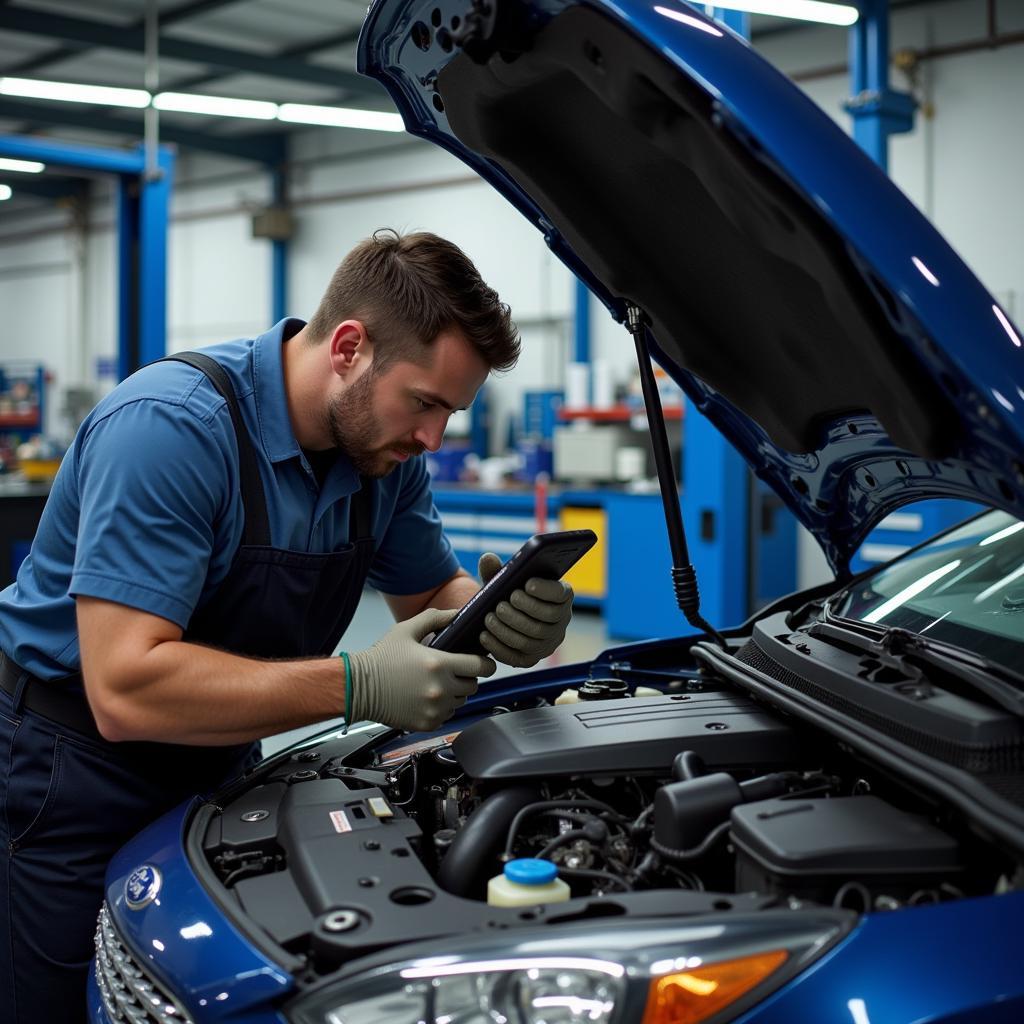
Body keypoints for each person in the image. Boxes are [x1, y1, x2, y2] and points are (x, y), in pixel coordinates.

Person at [0, 228, 575, 1022]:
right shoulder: (172, 429)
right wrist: (359, 683)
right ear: (348, 348)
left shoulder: (383, 460)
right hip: (74, 771)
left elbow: (431, 599)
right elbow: (125, 690)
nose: (434, 439)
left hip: (224, 760)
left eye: (451, 412)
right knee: (69, 1002)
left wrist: (504, 616)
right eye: (426, 403)